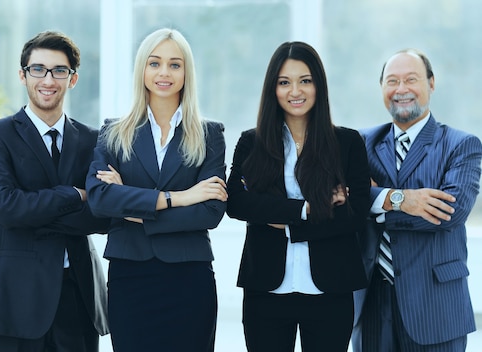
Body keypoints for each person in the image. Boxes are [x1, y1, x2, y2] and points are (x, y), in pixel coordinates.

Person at [85, 28, 227, 352]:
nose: (164, 72)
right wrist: (181, 197)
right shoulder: (113, 131)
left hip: (190, 278)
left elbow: (210, 211)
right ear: (143, 70)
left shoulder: (209, 134)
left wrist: (133, 211)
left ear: (186, 72)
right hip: (130, 276)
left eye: (175, 64)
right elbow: (100, 199)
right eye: (155, 63)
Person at [226, 41, 370, 352]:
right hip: (266, 289)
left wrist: (287, 225)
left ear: (319, 85)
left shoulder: (347, 143)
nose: (296, 91)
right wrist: (305, 209)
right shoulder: (251, 143)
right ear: (272, 89)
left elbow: (356, 216)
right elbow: (237, 202)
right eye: (284, 82)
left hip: (331, 290)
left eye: (305, 80)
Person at [0, 30, 110, 352]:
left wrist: (32, 211)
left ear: (72, 79)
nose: (48, 79)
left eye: (59, 70)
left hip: (78, 295)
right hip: (18, 297)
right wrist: (74, 195)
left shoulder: (94, 139)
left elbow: (103, 216)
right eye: (38, 69)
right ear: (23, 75)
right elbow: (7, 209)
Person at [352, 49, 482, 351]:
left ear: (431, 83)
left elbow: (451, 211)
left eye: (411, 79)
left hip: (435, 306)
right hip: (371, 302)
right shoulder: (360, 142)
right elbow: (342, 199)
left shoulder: (461, 145)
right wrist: (400, 199)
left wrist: (375, 202)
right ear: (382, 88)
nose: (401, 90)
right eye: (392, 81)